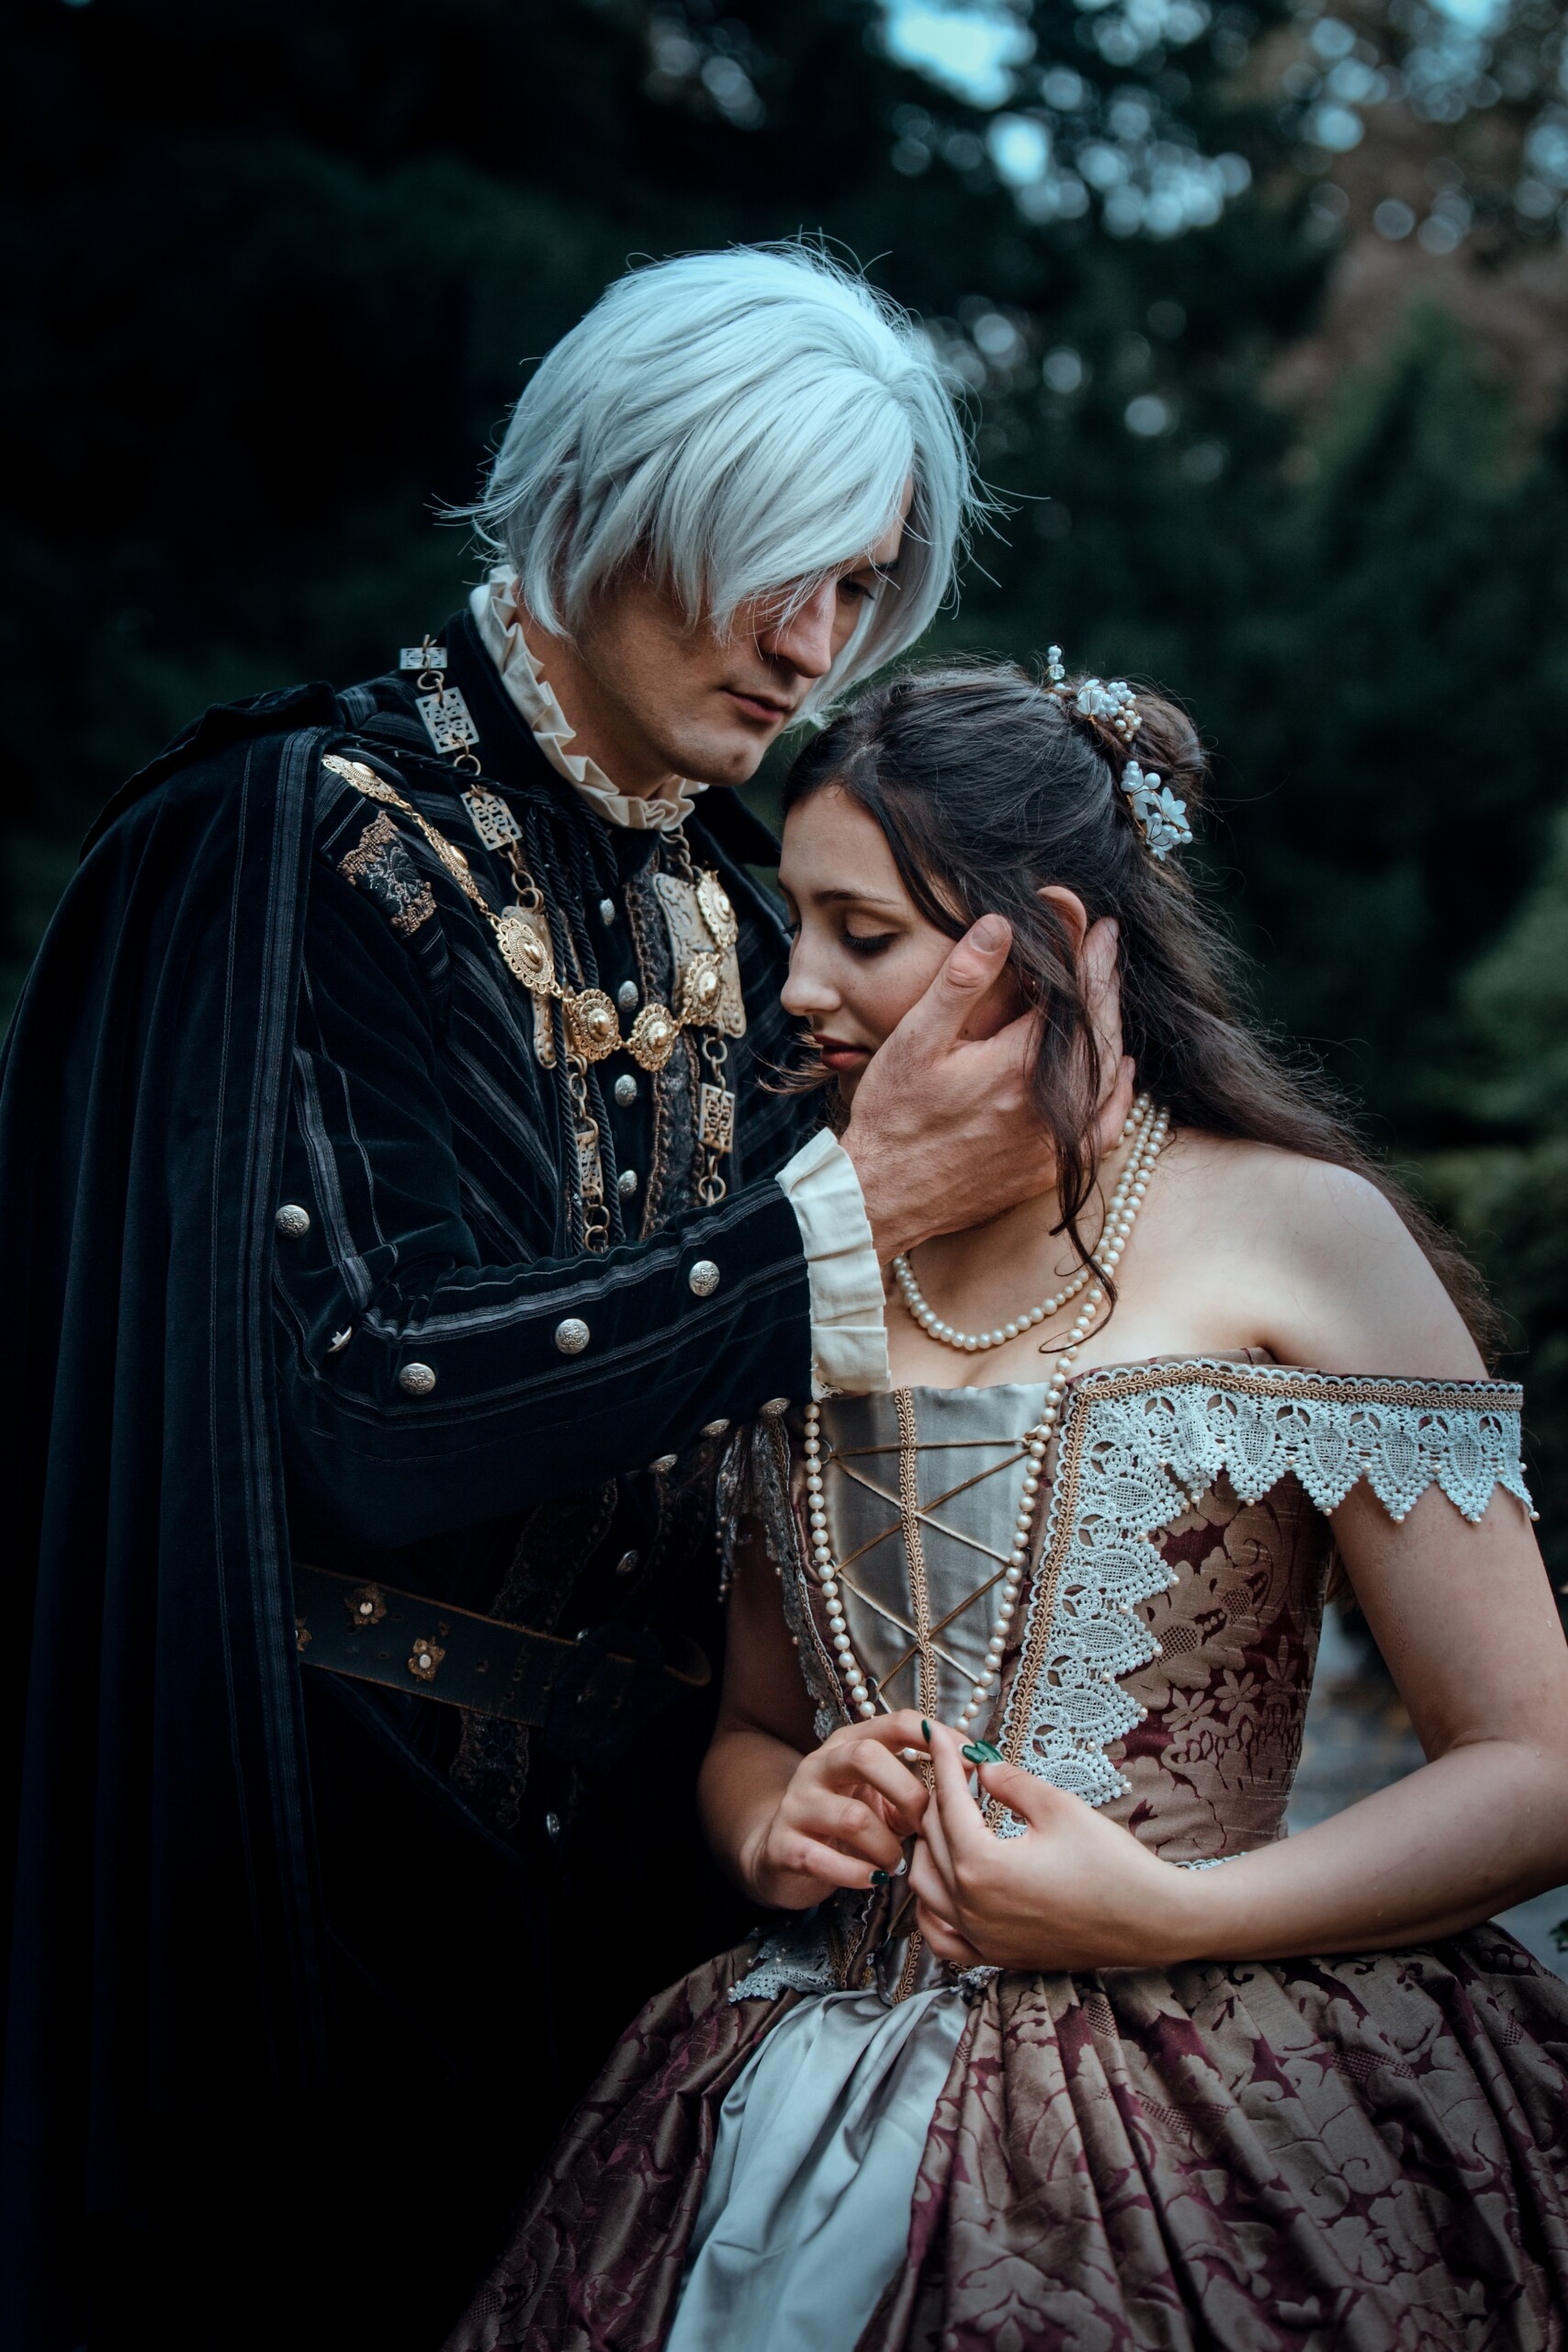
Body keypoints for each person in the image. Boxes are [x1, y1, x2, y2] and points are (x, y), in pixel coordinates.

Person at [0, 253, 1133, 2352]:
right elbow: (359, 1405)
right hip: (309, 1891)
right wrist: (834, 1216)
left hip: (656, 1904)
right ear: (614, 495)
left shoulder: (740, 901)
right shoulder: (299, 836)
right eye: (775, 563)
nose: (810, 644)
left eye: (855, 585)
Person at [447, 662, 1568, 2352]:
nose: (794, 984)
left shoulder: (1302, 1233)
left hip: (1219, 2080)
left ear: (1040, 937)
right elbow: (754, 1726)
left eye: (863, 932)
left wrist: (1170, 1915)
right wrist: (772, 1816)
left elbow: (1538, 1769)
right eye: (794, 924)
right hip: (795, 2080)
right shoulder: (800, 1256)